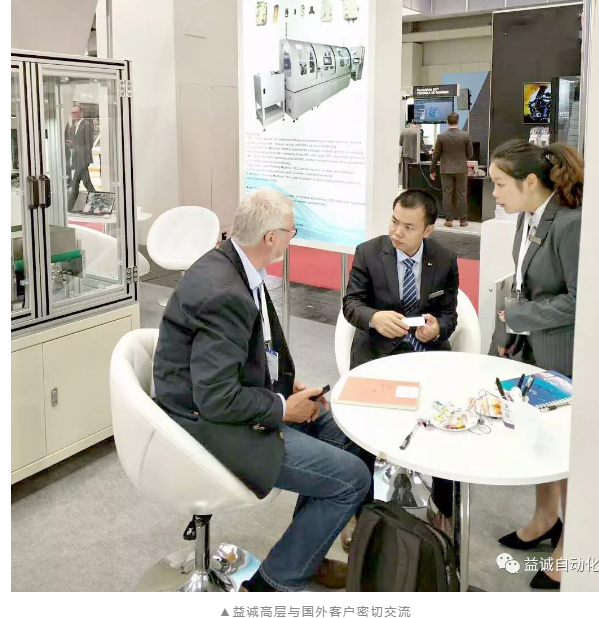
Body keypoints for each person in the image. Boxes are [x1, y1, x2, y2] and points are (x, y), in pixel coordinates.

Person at [153, 189, 370, 592]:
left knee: (343, 430)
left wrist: (284, 388)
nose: (293, 237)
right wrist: (282, 407)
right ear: (271, 237)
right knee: (353, 479)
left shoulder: (234, 266)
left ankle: (305, 552)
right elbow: (216, 398)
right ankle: (274, 583)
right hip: (208, 426)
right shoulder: (225, 292)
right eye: (291, 231)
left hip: (228, 404)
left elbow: (246, 353)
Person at [488, 139, 583, 591]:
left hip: (563, 354)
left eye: (499, 184)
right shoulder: (528, 216)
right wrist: (510, 332)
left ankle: (571, 547)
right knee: (540, 440)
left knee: (568, 451)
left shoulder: (571, 224)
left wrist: (520, 318)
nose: (494, 194)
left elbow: (581, 300)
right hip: (532, 351)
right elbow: (523, 283)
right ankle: (546, 518)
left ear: (529, 181)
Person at [343, 188, 459, 535]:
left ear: (428, 230)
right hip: (378, 354)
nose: (397, 232)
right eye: (394, 221)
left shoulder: (444, 258)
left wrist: (437, 329)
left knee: (448, 422)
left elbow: (449, 314)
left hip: (426, 355)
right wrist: (374, 318)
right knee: (359, 431)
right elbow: (351, 304)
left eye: (408, 227)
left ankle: (444, 506)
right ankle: (357, 509)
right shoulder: (368, 252)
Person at [430, 112, 473, 227]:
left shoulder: (441, 137)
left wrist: (432, 170)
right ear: (458, 121)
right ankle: (463, 221)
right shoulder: (465, 135)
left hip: (446, 170)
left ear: (447, 121)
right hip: (461, 170)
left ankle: (448, 220)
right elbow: (470, 153)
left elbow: (435, 155)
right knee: (462, 194)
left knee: (447, 195)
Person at [67, 105, 95, 210]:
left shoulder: (86, 125)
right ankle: (97, 205)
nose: (74, 115)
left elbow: (89, 144)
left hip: (83, 159)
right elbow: (76, 144)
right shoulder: (73, 127)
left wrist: (75, 146)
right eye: (72, 113)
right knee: (83, 184)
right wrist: (71, 145)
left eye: (76, 112)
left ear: (81, 113)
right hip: (78, 159)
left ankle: (68, 208)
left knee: (77, 184)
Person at [399, 122, 421, 189]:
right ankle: (413, 187)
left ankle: (406, 187)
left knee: (406, 171)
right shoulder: (418, 131)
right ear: (417, 124)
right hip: (415, 154)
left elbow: (400, 143)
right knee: (415, 171)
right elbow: (421, 144)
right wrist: (427, 152)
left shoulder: (404, 131)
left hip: (406, 154)